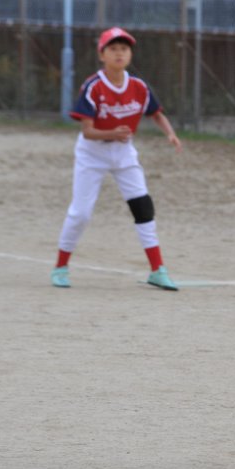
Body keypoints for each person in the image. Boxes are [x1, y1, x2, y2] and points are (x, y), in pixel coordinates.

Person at [51, 27, 183, 290]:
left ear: (130, 54)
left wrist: (170, 133)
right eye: (113, 49)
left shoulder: (138, 86)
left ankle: (158, 270)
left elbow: (156, 113)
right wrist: (113, 133)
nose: (119, 53)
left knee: (142, 205)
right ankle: (61, 266)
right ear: (102, 55)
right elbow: (87, 131)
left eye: (124, 49)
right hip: (92, 153)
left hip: (123, 152)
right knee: (81, 214)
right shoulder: (94, 86)